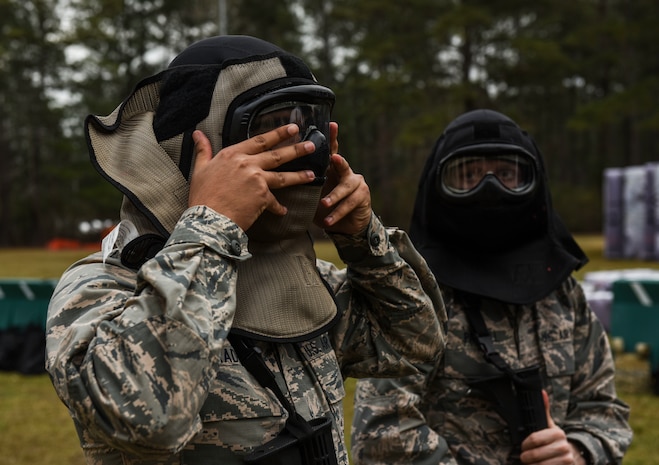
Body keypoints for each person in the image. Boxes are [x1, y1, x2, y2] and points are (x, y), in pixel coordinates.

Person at [45, 35, 446, 465]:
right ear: (197, 147)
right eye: (271, 128)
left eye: (307, 124)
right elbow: (147, 421)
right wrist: (212, 222)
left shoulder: (307, 285)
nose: (302, 147)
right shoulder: (101, 290)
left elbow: (417, 346)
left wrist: (364, 239)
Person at [351, 109, 633, 465]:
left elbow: (603, 409)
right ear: (438, 186)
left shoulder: (563, 294)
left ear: (534, 182)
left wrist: (577, 452)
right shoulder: (412, 296)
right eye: (467, 176)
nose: (488, 190)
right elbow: (381, 435)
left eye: (506, 175)